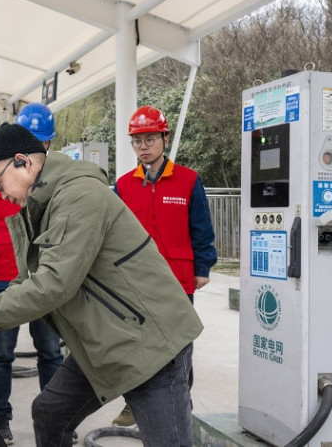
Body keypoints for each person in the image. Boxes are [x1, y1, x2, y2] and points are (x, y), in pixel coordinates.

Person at [0, 123, 204, 447]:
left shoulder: (79, 194)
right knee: (49, 414)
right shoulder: (36, 210)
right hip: (103, 341)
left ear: (23, 162)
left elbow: (55, 283)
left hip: (150, 342)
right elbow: (26, 281)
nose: (0, 194)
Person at [0, 103, 62, 444]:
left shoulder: (55, 178)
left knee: (50, 351)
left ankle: (56, 419)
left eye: (42, 143)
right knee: (2, 354)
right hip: (2, 278)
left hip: (42, 281)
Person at [111, 105, 217, 427]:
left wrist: (203, 267)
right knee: (137, 347)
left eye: (150, 139)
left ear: (164, 139)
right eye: (137, 141)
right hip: (136, 284)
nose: (143, 146)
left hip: (177, 282)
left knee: (180, 350)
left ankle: (181, 404)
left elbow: (202, 228)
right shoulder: (124, 185)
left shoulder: (188, 180)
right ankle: (134, 403)